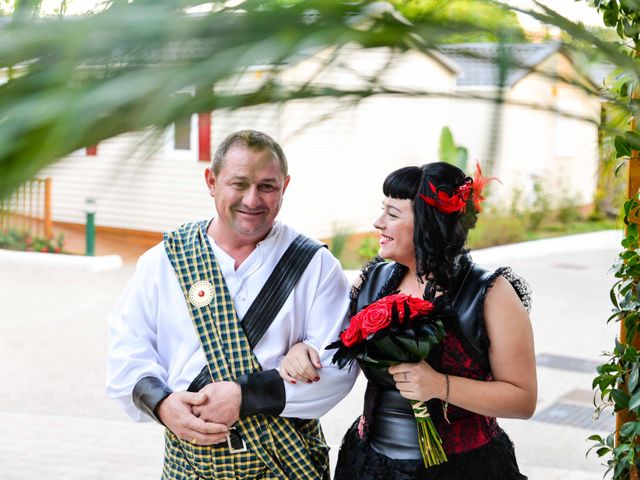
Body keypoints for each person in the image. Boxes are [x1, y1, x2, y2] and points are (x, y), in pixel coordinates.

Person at [106, 130, 358, 479]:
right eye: (238, 184)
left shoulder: (314, 265)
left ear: (284, 186)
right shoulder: (164, 260)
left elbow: (337, 369)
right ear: (212, 181)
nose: (252, 200)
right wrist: (162, 405)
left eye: (267, 186)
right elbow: (127, 351)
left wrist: (245, 396)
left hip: (285, 463)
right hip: (190, 463)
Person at [280, 161, 537, 479]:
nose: (378, 222)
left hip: (464, 468)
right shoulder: (373, 281)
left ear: (428, 225)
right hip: (370, 464)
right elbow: (327, 338)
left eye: (392, 214)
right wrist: (301, 348)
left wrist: (439, 385)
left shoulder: (491, 293)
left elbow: (523, 400)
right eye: (382, 210)